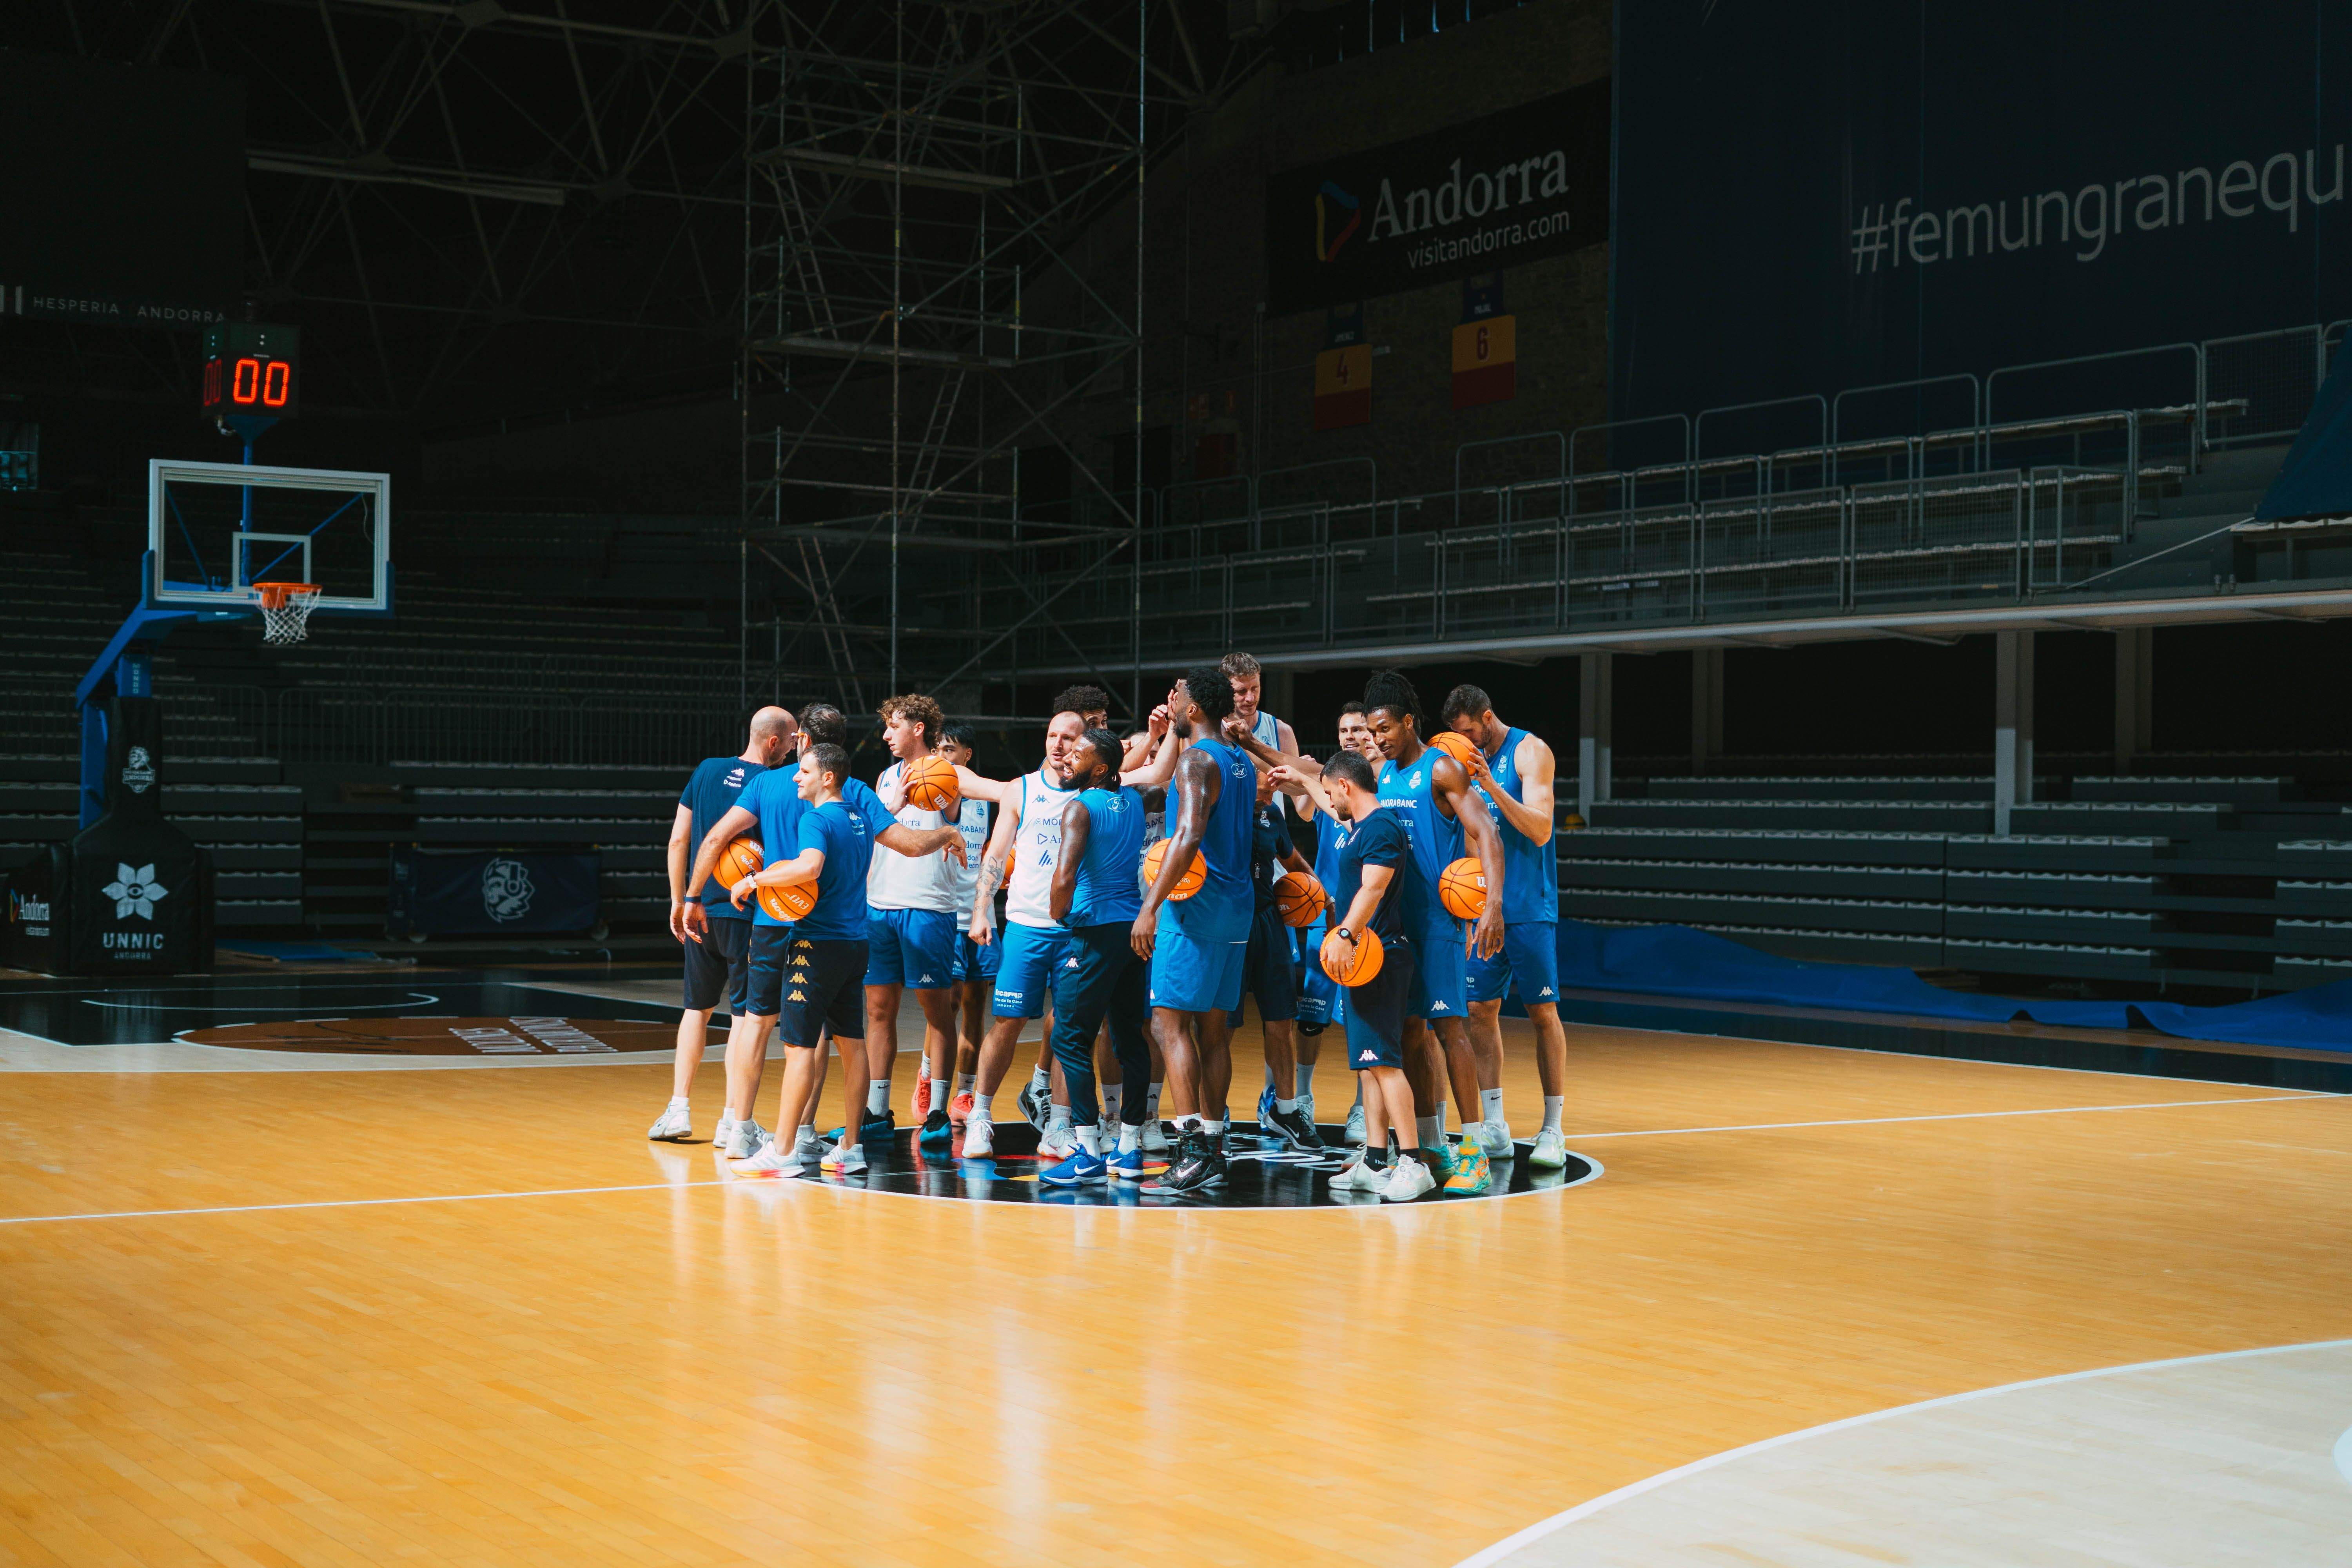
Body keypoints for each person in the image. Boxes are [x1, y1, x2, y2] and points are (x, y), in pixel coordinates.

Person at [725, 744, 965, 1176]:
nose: (796, 778)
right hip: (856, 944)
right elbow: (910, 846)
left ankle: (784, 1152)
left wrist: (755, 880)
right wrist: (947, 833)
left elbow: (810, 867)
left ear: (828, 777)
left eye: (804, 772)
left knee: (799, 1048)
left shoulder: (817, 819)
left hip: (816, 945)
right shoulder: (859, 817)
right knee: (853, 1045)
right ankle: (852, 1149)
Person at [683, 703, 889, 1164]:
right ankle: (805, 1131)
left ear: (803, 741)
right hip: (833, 931)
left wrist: (693, 896)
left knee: (756, 1024)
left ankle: (740, 1127)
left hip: (776, 923)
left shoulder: (768, 784)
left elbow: (715, 839)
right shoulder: (855, 791)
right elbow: (895, 838)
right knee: (819, 1036)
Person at [1362, 669, 1508, 1196]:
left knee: (1451, 1029)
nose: (1378, 739)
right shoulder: (1382, 776)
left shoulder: (1440, 768)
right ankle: (1430, 1146)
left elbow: (1486, 833)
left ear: (1409, 721)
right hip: (1395, 926)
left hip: (1438, 923)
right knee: (1410, 1033)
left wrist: (1492, 904)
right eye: (1371, 731)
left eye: (1384, 728)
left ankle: (1475, 1150)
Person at [1283, 751, 1434, 1201]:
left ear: (1347, 786)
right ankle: (1375, 1162)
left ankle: (1414, 1162)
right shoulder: (1360, 826)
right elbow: (1333, 809)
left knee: (1385, 1064)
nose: (1330, 802)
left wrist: (1346, 933)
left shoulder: (1381, 827)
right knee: (1369, 1066)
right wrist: (1305, 782)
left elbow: (1374, 886)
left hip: (1379, 956)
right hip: (1362, 960)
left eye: (1332, 792)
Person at [1132, 666, 1258, 1194]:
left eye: (1178, 696)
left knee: (1169, 1026)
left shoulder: (1197, 760)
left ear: (1195, 709)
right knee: (1214, 1031)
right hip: (1237, 908)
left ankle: (1192, 1152)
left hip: (1197, 910)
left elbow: (1186, 836)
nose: (1172, 702)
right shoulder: (1240, 760)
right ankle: (1214, 1145)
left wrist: (1151, 907)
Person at [1229, 700, 1380, 1143]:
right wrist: (1298, 773)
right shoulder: (1324, 780)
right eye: (1346, 730)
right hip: (1323, 911)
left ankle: (1361, 1109)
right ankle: (1300, 1099)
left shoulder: (1381, 788)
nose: (1353, 736)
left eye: (1361, 729)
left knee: (1364, 1015)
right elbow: (1302, 800)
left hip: (1366, 914)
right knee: (1310, 1017)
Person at [1440, 684, 1572, 1170]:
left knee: (1542, 1013)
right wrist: (1469, 904)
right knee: (1479, 1009)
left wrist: (1492, 788)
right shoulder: (1463, 760)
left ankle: (1553, 1128)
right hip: (1482, 907)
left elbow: (1541, 829)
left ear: (1488, 718)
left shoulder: (1530, 751)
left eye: (1469, 732)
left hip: (1529, 905)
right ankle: (1494, 1123)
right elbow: (1470, 839)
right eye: (1457, 735)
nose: (1466, 742)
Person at [652, 706, 795, 1146]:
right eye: (792, 741)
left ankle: (678, 1109)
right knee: (742, 1018)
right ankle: (732, 1120)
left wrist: (680, 899)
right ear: (774, 742)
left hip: (701, 910)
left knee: (695, 1010)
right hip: (747, 912)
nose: (794, 750)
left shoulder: (707, 769)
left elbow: (679, 838)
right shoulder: (776, 783)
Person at [1037, 728, 1154, 1185]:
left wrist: (1056, 913)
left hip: (1093, 930)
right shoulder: (1134, 802)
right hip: (1131, 931)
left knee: (1069, 1038)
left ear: (1101, 768)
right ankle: (1129, 1148)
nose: (1067, 758)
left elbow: (1065, 876)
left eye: (1078, 754)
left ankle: (1086, 1151)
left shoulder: (1080, 807)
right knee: (1129, 1038)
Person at [866, 694, 965, 1154]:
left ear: (919, 728)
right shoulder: (886, 778)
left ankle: (939, 1112)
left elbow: (955, 812)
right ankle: (877, 1110)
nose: (887, 734)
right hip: (879, 905)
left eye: (895, 725)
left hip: (927, 907)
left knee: (937, 1011)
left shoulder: (947, 775)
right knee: (878, 1011)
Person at [1221, 766, 1319, 1152]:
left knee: (1281, 1019)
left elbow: (1292, 860)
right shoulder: (1218, 809)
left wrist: (1321, 893)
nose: (1269, 793)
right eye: (1263, 786)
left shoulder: (1271, 814)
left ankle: (1286, 1110)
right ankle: (1213, 1114)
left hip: (1267, 921)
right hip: (1228, 925)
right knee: (1220, 1026)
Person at [926, 723, 994, 1131]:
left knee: (974, 1005)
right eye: (937, 748)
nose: (943, 756)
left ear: (968, 754)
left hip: (980, 910)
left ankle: (964, 1093)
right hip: (945, 910)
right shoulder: (927, 792)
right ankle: (928, 1075)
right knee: (945, 1003)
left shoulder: (984, 797)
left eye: (950, 749)